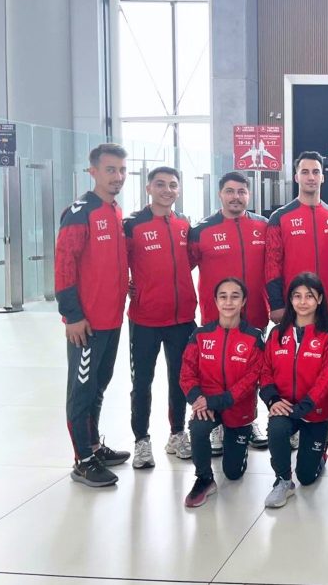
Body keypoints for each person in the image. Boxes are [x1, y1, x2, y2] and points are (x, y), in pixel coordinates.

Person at [56, 143, 131, 487]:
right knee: (81, 391)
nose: (118, 176)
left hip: (112, 319)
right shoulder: (80, 212)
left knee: (99, 385)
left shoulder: (114, 210)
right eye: (110, 169)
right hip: (86, 324)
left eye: (122, 170)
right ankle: (82, 460)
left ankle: (94, 447)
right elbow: (64, 265)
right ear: (93, 172)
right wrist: (72, 315)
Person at [189, 171, 272, 453]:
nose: (236, 197)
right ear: (220, 194)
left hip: (255, 315)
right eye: (230, 191)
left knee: (251, 373)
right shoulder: (201, 230)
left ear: (249, 195)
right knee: (216, 372)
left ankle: (249, 420)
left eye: (241, 192)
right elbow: (178, 268)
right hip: (217, 318)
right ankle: (217, 423)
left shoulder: (263, 226)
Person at [123, 167, 199, 469]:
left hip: (182, 318)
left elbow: (188, 261)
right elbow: (118, 262)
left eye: (173, 185)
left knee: (180, 379)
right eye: (160, 184)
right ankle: (141, 440)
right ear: (148, 188)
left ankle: (177, 433)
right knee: (142, 382)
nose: (167, 190)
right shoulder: (133, 225)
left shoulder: (184, 223)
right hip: (145, 319)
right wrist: (132, 285)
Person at [259, 272, 328, 508]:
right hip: (285, 406)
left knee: (306, 477)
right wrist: (273, 400)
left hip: (315, 412)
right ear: (290, 299)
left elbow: (327, 378)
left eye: (309, 296)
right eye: (297, 296)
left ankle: (319, 453)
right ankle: (283, 481)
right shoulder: (277, 333)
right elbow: (265, 371)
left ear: (320, 299)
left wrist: (304, 407)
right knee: (276, 427)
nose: (303, 302)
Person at [179, 278, 265, 507]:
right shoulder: (200, 335)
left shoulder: (254, 337)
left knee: (233, 474)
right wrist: (198, 399)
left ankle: (239, 439)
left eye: (235, 296)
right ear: (216, 301)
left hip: (237, 407)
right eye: (223, 297)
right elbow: (187, 373)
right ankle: (204, 479)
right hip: (207, 404)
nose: (228, 302)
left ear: (243, 301)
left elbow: (251, 379)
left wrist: (215, 401)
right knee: (197, 426)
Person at [267, 151, 328, 323]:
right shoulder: (279, 217)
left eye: (316, 172)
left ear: (322, 177)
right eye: (305, 172)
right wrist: (276, 304)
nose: (311, 177)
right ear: (296, 177)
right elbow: (272, 265)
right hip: (294, 307)